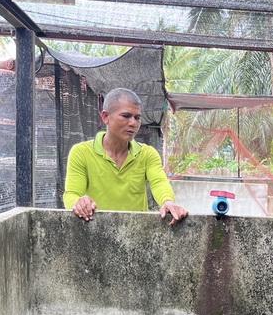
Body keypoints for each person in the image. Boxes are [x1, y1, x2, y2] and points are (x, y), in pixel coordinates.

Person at [63, 88, 188, 225]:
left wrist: (167, 201)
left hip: (136, 233)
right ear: (105, 117)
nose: (133, 123)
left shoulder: (147, 154)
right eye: (126, 116)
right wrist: (79, 203)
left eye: (137, 117)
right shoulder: (81, 153)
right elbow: (72, 194)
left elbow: (159, 182)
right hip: (95, 232)